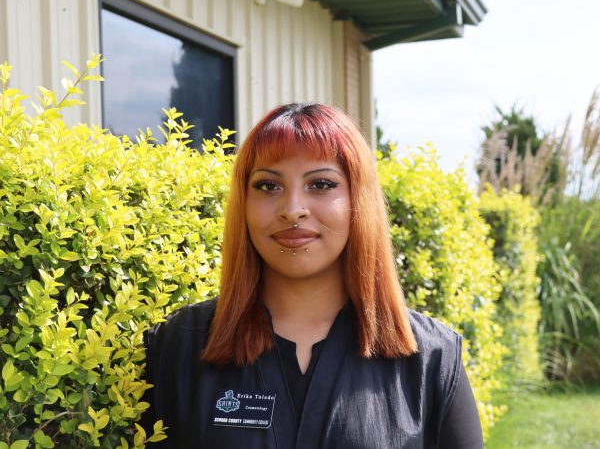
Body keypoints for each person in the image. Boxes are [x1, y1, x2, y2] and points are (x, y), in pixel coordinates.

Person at [141, 103, 484, 448]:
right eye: (267, 186)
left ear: (357, 200)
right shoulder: (178, 347)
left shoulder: (431, 358)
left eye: (321, 184)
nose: (292, 209)